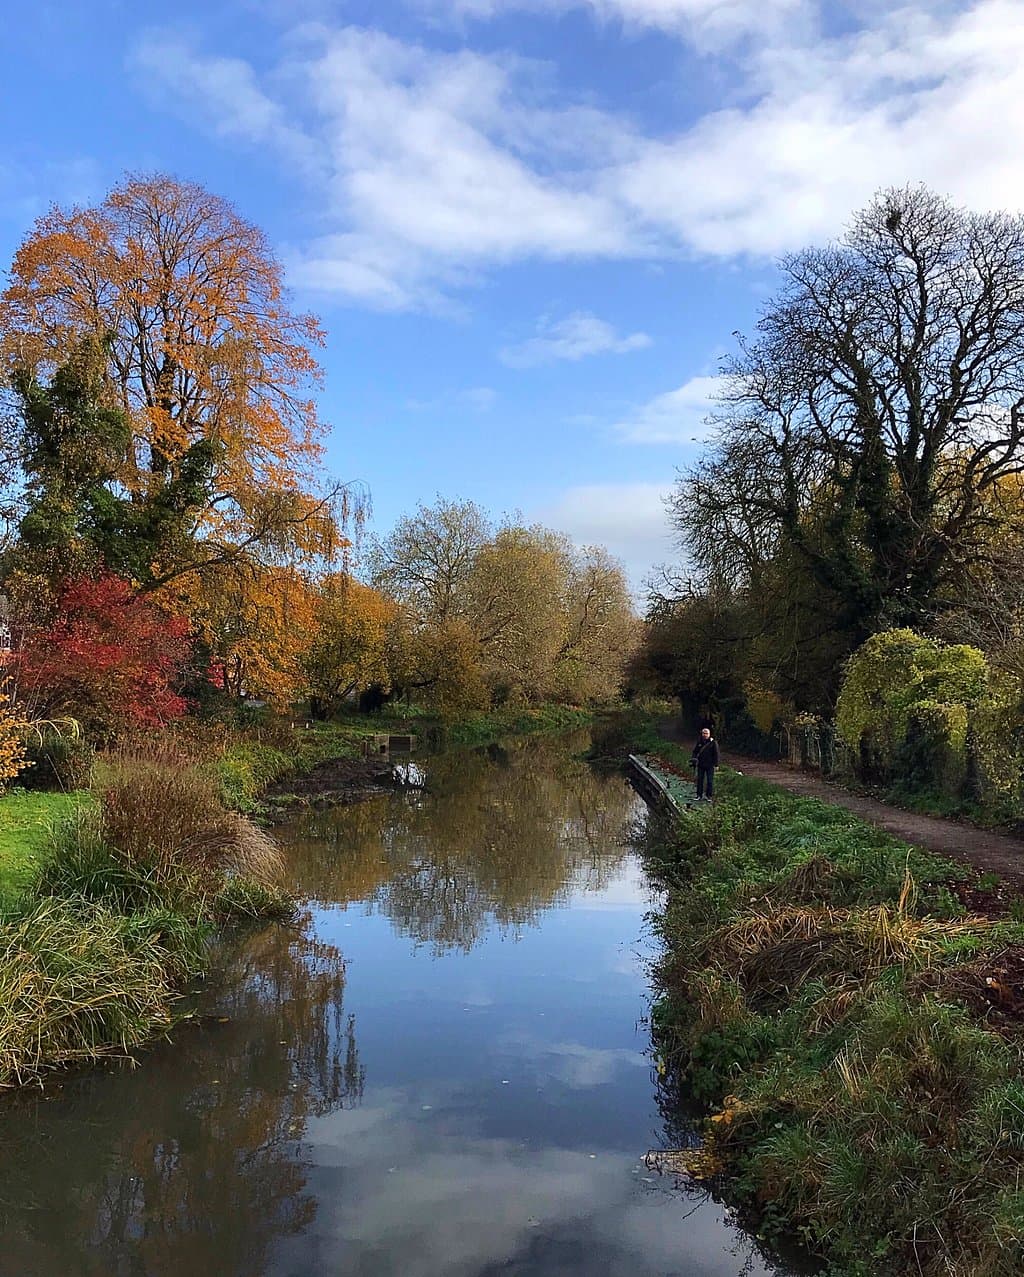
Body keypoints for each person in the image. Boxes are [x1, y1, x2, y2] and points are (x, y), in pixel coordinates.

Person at [690, 726, 720, 801]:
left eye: (706, 733)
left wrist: (716, 764)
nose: (704, 735)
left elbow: (716, 754)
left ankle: (708, 796)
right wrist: (694, 759)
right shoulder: (699, 742)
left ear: (709, 734)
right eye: (703, 733)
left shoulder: (713, 743)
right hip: (701, 764)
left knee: (710, 781)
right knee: (700, 780)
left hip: (710, 765)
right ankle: (699, 795)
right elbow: (695, 751)